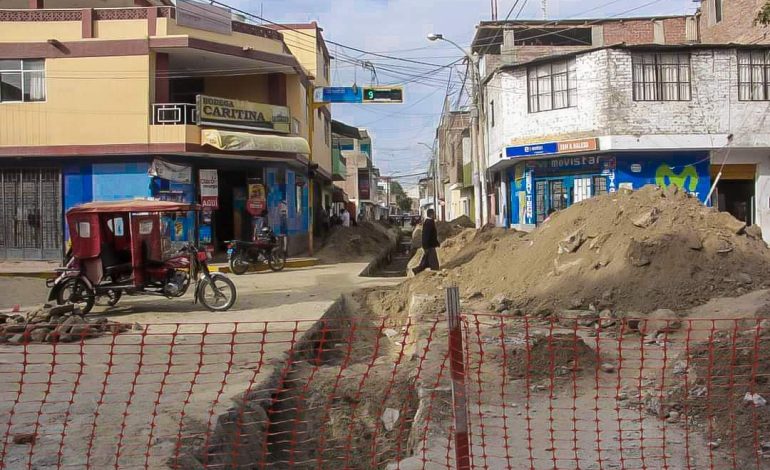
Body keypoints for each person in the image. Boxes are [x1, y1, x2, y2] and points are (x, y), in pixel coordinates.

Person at [413, 209, 440, 275]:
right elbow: (426, 236)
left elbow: (431, 235)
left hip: (430, 245)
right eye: (434, 213)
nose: (435, 215)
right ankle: (433, 275)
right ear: (431, 214)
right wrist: (425, 247)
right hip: (429, 246)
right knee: (434, 265)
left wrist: (436, 243)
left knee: (425, 262)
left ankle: (416, 270)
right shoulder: (429, 222)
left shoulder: (429, 222)